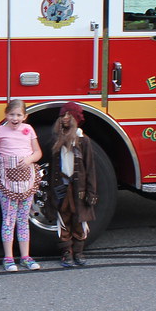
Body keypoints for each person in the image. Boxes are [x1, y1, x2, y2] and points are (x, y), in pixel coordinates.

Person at [0, 99, 43, 272]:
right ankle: (8, 257)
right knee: (9, 219)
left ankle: (25, 256)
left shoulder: (29, 129)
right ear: (6, 114)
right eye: (11, 114)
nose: (15, 118)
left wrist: (29, 159)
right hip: (7, 181)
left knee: (23, 219)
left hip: (26, 180)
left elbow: (38, 152)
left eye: (18, 115)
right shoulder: (0, 131)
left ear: (25, 116)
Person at [46, 102, 97, 267]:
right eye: (63, 115)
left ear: (76, 118)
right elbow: (53, 167)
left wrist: (91, 192)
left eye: (68, 115)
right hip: (61, 185)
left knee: (79, 220)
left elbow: (90, 168)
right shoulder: (56, 139)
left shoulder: (83, 140)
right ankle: (66, 251)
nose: (65, 118)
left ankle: (79, 251)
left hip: (79, 188)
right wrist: (50, 190)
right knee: (63, 218)